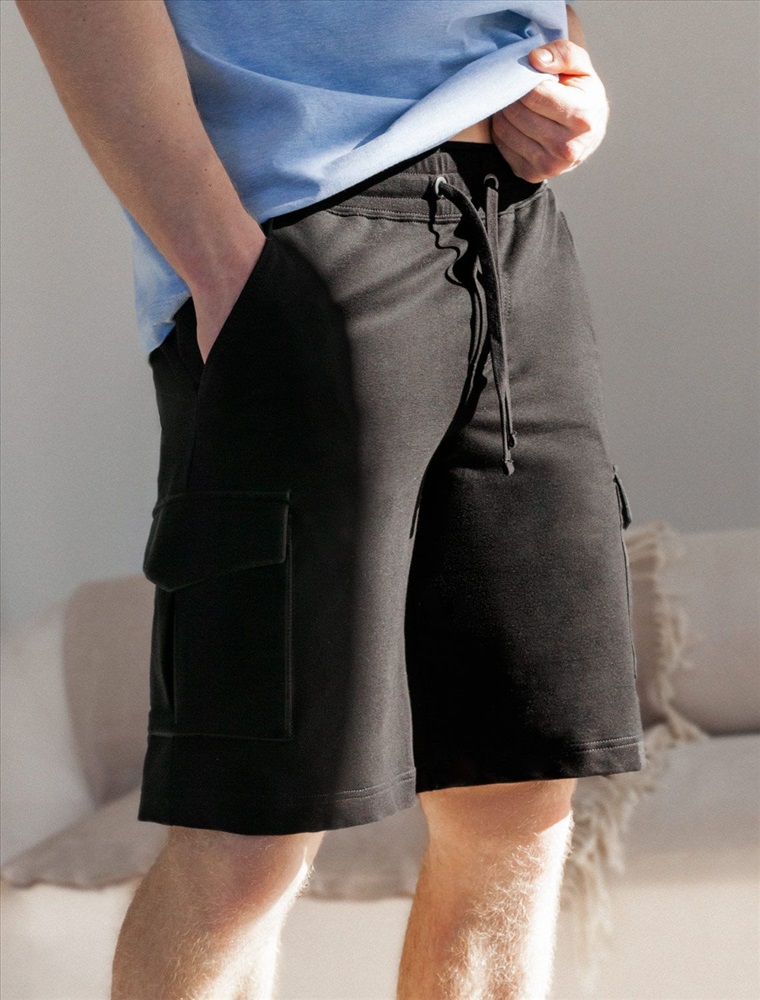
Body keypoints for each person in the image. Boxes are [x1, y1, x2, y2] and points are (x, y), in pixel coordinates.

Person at [15, 2, 645, 997]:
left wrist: (569, 74)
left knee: (517, 801)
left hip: (515, 230)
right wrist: (220, 262)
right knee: (252, 828)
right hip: (304, 237)